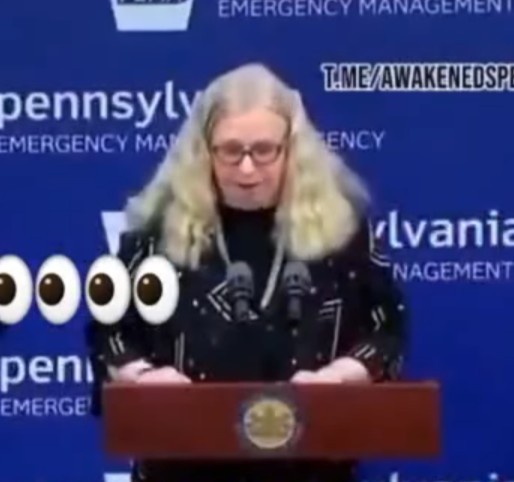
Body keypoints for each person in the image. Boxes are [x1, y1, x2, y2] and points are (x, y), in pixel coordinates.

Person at [85, 63, 408, 482]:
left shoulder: (343, 232)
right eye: (230, 151)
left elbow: (386, 327)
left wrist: (341, 375)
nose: (247, 169)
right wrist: (141, 376)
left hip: (311, 470)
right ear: (204, 151)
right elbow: (108, 331)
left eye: (264, 150)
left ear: (292, 149)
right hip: (181, 469)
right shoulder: (155, 235)